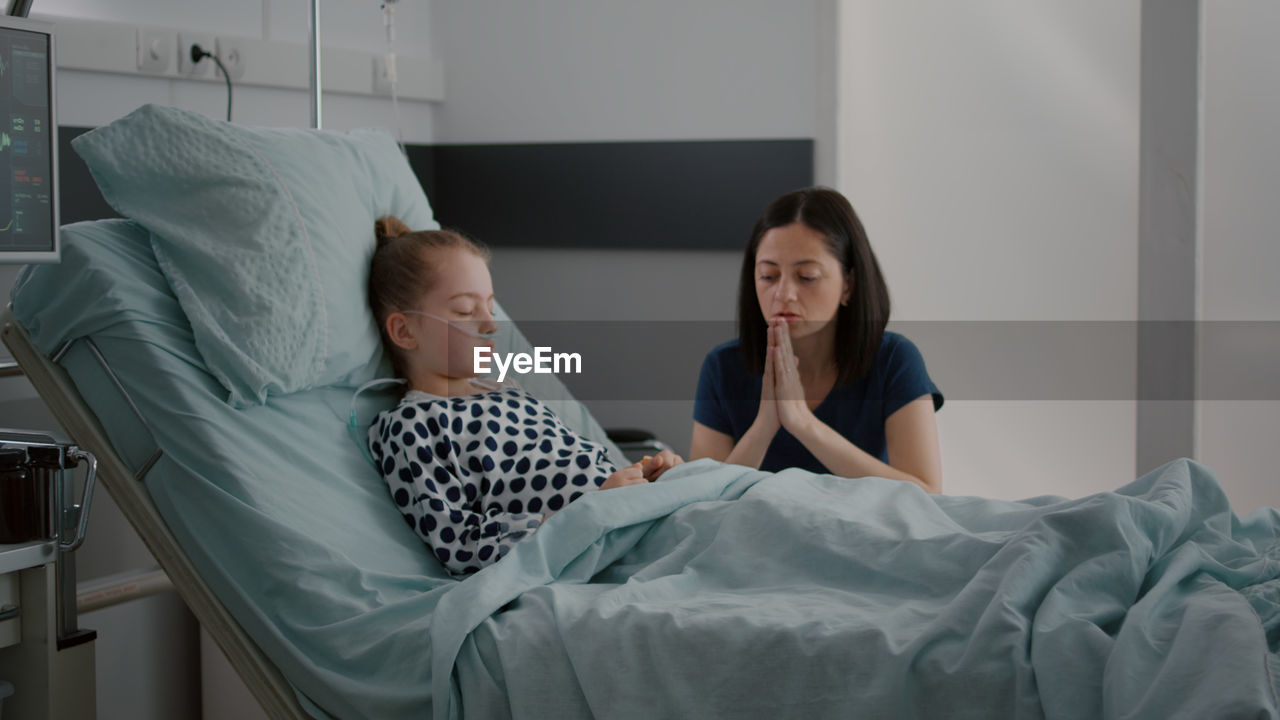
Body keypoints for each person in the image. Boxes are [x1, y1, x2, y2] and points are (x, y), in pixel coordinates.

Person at [366, 216, 682, 574]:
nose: (491, 324)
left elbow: (579, 471)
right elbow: (461, 545)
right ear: (404, 331)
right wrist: (592, 510)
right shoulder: (412, 427)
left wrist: (646, 475)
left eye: (490, 306)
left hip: (637, 516)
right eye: (466, 311)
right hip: (603, 546)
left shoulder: (508, 392)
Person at [689, 187, 943, 493]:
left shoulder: (895, 360)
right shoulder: (723, 366)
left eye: (806, 276)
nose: (783, 294)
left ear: (848, 284)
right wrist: (764, 426)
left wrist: (803, 423)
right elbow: (698, 502)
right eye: (768, 276)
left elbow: (927, 494)